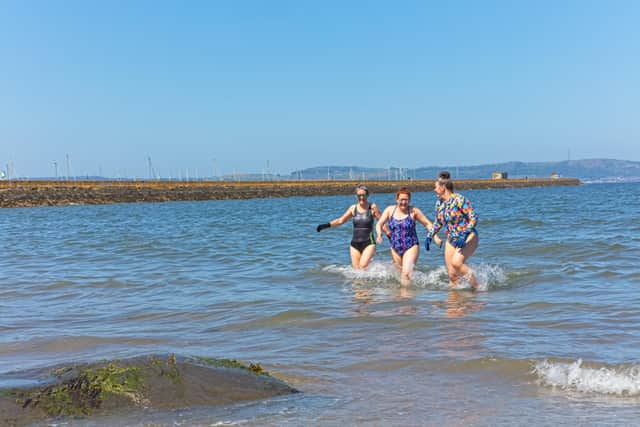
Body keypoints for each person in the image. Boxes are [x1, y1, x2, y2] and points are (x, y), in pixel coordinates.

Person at [426, 171, 480, 289]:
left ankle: (479, 287)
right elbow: (438, 222)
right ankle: (455, 304)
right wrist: (430, 235)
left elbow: (473, 218)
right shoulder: (439, 203)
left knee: (456, 263)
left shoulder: (459, 199)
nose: (434, 190)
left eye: (436, 187)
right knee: (452, 275)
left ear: (443, 187)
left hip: (468, 237)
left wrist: (464, 234)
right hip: (451, 239)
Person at [316, 184, 387, 269]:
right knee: (356, 271)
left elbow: (381, 221)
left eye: (363, 195)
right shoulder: (353, 208)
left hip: (369, 242)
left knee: (362, 266)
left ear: (367, 195)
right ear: (356, 196)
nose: (361, 198)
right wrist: (326, 225)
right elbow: (340, 220)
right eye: (359, 195)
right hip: (354, 244)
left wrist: (388, 234)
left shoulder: (372, 207)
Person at [375, 187, 433, 285]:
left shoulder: (414, 211)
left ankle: (406, 297)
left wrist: (433, 236)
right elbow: (379, 223)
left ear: (409, 200)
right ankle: (402, 298)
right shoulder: (390, 210)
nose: (403, 202)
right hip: (395, 248)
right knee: (399, 275)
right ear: (397, 200)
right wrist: (379, 234)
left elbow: (428, 223)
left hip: (411, 246)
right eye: (401, 199)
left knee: (405, 274)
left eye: (406, 200)